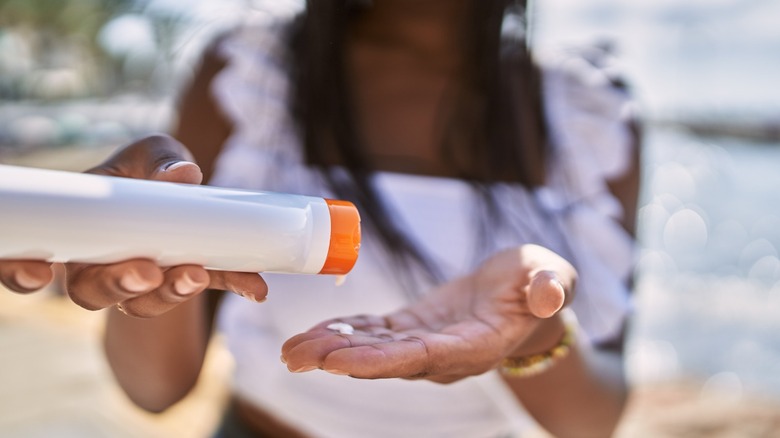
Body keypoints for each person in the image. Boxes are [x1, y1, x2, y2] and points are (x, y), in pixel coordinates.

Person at [0, 0, 642, 436]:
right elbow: (155, 389)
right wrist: (144, 260)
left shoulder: (586, 113)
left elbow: (592, 422)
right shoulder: (250, 75)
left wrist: (533, 332)